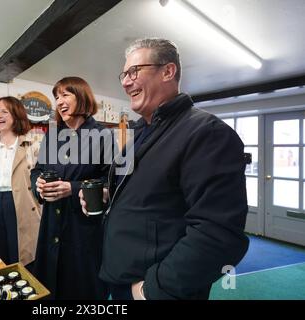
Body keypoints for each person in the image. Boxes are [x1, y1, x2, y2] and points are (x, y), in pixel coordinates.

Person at [80, 38, 249, 300]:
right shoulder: (141, 132)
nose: (125, 82)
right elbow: (150, 194)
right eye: (124, 74)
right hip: (121, 276)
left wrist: (154, 290)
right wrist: (108, 195)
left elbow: (218, 233)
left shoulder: (206, 133)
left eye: (134, 71)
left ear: (168, 71)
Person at [31, 76, 110, 299]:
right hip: (51, 225)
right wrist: (38, 185)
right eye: (57, 97)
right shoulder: (52, 135)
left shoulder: (102, 135)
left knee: (82, 288)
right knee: (51, 287)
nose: (59, 101)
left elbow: (112, 182)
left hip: (83, 228)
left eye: (66, 94)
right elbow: (37, 170)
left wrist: (72, 189)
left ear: (82, 96)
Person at [0, 96, 41, 267]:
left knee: (21, 254)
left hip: (21, 203)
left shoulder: (31, 145)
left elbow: (37, 177)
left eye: (5, 111)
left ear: (16, 115)